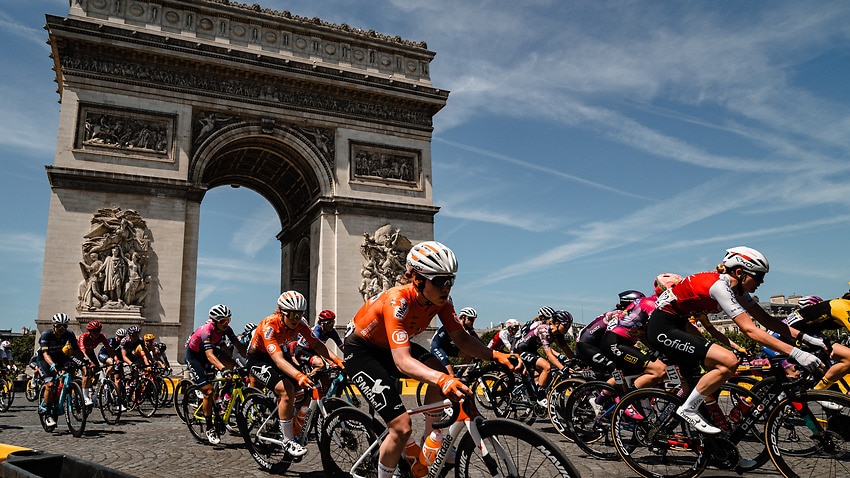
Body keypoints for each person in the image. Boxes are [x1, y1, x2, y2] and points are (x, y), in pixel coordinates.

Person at [344, 241, 521, 478]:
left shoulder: (442, 303)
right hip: (362, 350)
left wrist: (497, 355)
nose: (446, 287)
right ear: (417, 279)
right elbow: (403, 362)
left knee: (441, 372)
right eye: (439, 281)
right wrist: (443, 381)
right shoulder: (398, 300)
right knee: (401, 426)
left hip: (390, 346)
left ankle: (430, 441)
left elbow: (462, 339)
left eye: (450, 280)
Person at [646, 246, 824, 435]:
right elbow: (749, 330)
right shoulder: (719, 287)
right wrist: (796, 353)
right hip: (663, 328)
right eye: (758, 276)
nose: (761, 282)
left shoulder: (737, 290)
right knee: (728, 360)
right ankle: (688, 409)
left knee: (714, 371)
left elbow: (767, 320)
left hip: (680, 325)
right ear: (740, 273)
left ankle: (712, 439)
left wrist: (806, 338)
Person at [246, 291, 344, 457]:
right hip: (259, 359)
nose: (296, 318)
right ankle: (287, 439)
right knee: (287, 391)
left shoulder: (300, 324)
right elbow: (277, 361)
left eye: (299, 314)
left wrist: (336, 359)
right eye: (292, 314)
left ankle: (292, 423)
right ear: (281, 312)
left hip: (280, 355)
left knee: (306, 389)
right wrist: (299, 375)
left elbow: (317, 344)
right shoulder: (269, 325)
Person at [184, 304, 247, 444]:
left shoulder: (227, 330)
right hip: (195, 355)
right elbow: (209, 355)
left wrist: (248, 361)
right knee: (208, 390)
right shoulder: (206, 331)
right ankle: (209, 427)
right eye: (222, 321)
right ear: (214, 321)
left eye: (228, 320)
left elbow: (239, 348)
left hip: (212, 350)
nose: (226, 324)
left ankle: (222, 399)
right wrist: (223, 369)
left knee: (236, 371)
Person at [783, 293, 850, 397]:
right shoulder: (844, 307)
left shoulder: (843, 303)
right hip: (792, 337)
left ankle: (822, 391)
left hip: (805, 336)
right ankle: (817, 392)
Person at [514, 309, 575, 406]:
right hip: (521, 349)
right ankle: (540, 397)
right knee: (547, 367)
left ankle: (537, 391)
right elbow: (549, 355)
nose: (568, 328)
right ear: (556, 323)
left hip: (532, 350)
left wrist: (577, 361)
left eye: (569, 325)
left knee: (549, 374)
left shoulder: (558, 333)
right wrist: (563, 368)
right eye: (566, 325)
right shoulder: (544, 330)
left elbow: (566, 349)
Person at [36, 313, 80, 428]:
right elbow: (45, 354)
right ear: (53, 326)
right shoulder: (46, 335)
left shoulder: (69, 334)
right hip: (44, 360)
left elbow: (76, 351)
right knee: (50, 384)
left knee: (68, 374)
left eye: (64, 326)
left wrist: (84, 362)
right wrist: (52, 365)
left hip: (60, 358)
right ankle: (48, 415)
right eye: (59, 326)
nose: (62, 329)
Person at [429, 307, 480, 377]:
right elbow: (462, 342)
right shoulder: (456, 325)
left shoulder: (467, 328)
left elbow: (477, 341)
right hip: (437, 346)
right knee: (450, 374)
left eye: (474, 319)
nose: (472, 322)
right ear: (463, 317)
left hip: (446, 346)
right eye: (470, 319)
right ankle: (452, 378)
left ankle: (459, 375)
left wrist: (485, 351)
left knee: (469, 355)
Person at [290, 310, 343, 374]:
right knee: (320, 365)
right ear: (322, 324)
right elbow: (320, 349)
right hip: (302, 350)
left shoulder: (332, 332)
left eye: (333, 322)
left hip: (313, 351)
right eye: (329, 323)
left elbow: (341, 346)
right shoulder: (316, 332)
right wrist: (332, 363)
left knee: (324, 371)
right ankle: (309, 381)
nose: (332, 325)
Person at [77, 320, 115, 406]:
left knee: (98, 371)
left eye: (98, 330)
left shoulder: (101, 336)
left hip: (90, 352)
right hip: (80, 353)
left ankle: (91, 390)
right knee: (87, 371)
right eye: (94, 331)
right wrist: (90, 363)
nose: (97, 333)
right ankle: (85, 397)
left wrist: (115, 360)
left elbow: (109, 349)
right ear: (90, 331)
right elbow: (83, 352)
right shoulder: (84, 337)